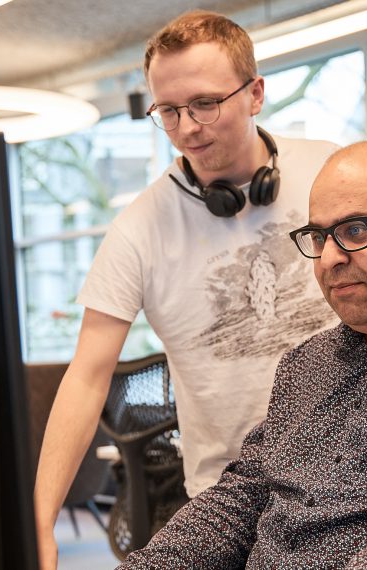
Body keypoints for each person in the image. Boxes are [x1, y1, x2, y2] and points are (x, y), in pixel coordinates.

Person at [34, 10, 340, 569]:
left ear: (255, 93)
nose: (187, 128)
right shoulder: (139, 229)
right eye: (169, 111)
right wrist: (42, 517)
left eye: (205, 103)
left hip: (354, 472)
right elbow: (87, 375)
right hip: (229, 503)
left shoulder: (331, 171)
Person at [116, 140, 367, 569]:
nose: (328, 259)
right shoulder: (304, 364)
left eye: (355, 231)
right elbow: (239, 501)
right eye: (319, 237)